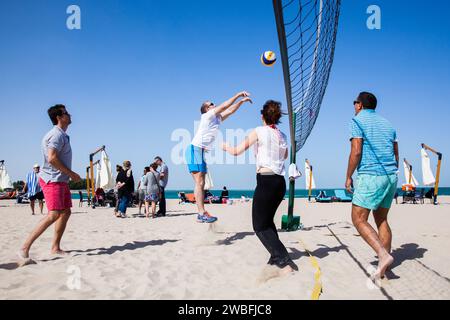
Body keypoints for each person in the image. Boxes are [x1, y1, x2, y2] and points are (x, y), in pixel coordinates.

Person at [222, 100, 298, 276]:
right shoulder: (282, 135)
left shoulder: (259, 131)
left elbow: (236, 151)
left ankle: (283, 260)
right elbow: (285, 155)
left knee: (259, 226)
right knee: (268, 221)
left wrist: (225, 146)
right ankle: (275, 256)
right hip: (279, 183)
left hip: (266, 181)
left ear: (262, 116)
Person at [345, 92, 398, 280]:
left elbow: (356, 151)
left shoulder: (357, 120)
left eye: (354, 102)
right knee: (381, 219)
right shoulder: (388, 124)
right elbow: (395, 154)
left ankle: (383, 256)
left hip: (371, 175)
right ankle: (386, 263)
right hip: (391, 176)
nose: (354, 105)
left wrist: (348, 176)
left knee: (358, 218)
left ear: (359, 105)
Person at [18, 104, 81, 261]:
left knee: (65, 212)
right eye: (66, 113)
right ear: (59, 118)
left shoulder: (61, 135)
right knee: (53, 214)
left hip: (60, 180)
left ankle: (55, 247)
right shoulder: (56, 135)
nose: (69, 114)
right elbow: (52, 158)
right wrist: (71, 174)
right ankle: (24, 247)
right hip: (53, 180)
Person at [186, 91, 253, 223]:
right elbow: (224, 106)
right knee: (199, 182)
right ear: (207, 109)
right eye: (211, 104)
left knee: (202, 183)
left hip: (200, 151)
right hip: (195, 149)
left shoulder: (216, 118)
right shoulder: (207, 116)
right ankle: (201, 213)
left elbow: (230, 111)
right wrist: (239, 94)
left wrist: (241, 102)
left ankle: (202, 212)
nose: (214, 104)